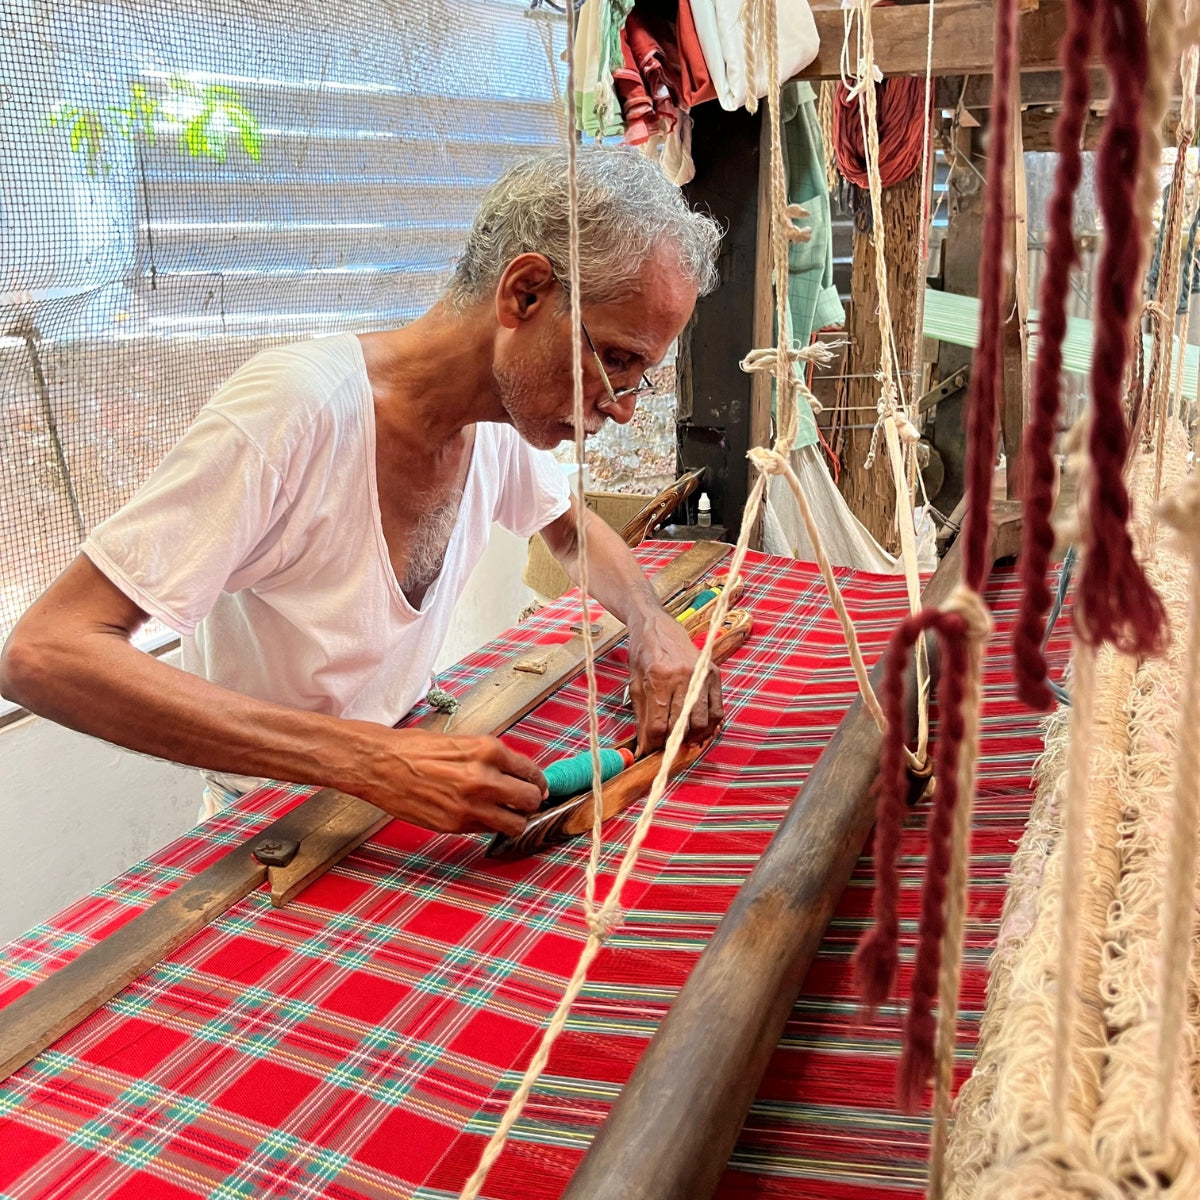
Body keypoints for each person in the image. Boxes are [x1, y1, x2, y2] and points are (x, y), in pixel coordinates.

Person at [0, 148, 725, 839]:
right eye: (619, 359)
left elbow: (568, 532)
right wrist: (367, 759)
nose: (624, 405)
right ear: (524, 292)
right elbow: (44, 653)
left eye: (640, 373)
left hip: (392, 792)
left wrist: (649, 622)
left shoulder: (502, 421)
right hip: (271, 824)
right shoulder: (295, 411)